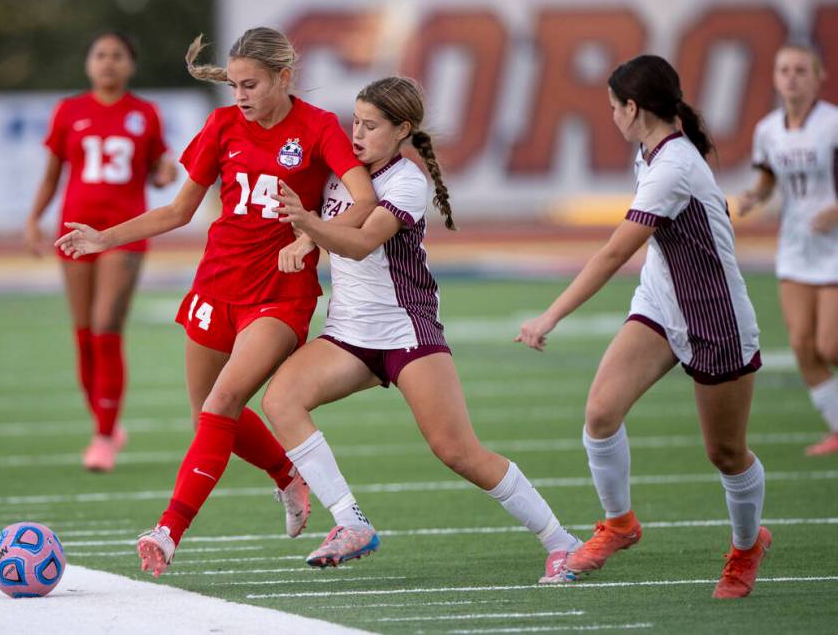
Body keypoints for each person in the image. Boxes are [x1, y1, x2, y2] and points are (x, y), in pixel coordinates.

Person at [55, 27, 377, 577]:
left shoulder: (319, 126)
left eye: (250, 84)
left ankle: (168, 531)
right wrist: (105, 237)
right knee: (207, 412)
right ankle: (286, 475)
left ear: (284, 76)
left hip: (278, 295)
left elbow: (365, 199)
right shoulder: (223, 124)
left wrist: (309, 236)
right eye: (233, 85)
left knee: (222, 402)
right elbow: (179, 211)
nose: (241, 96)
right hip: (215, 287)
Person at [261, 77, 582, 584]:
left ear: (402, 129)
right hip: (348, 334)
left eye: (371, 126)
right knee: (280, 401)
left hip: (406, 333)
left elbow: (363, 243)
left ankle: (563, 544)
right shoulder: (341, 173)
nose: (357, 134)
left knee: (457, 451)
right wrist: (306, 239)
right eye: (355, 122)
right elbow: (326, 227)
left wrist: (307, 226)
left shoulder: (406, 180)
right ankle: (350, 521)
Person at [515, 55, 771, 599]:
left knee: (725, 453)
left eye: (613, 107)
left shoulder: (674, 165)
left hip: (715, 319)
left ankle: (748, 546)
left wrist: (549, 316)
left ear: (634, 108)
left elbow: (613, 255)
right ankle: (620, 524)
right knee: (601, 414)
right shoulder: (651, 152)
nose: (610, 116)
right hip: (661, 302)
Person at [25, 31, 177, 473]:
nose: (108, 62)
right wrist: (34, 218)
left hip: (122, 233)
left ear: (131, 64)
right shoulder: (69, 111)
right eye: (100, 55)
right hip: (73, 231)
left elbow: (158, 168)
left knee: (106, 324)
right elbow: (53, 173)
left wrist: (166, 172)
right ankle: (105, 419)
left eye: (117, 56)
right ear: (89, 63)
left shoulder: (144, 113)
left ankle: (104, 436)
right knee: (84, 334)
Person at [739, 44, 838, 456]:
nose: (792, 77)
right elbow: (767, 178)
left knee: (830, 346)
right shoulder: (767, 130)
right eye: (784, 70)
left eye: (801, 69)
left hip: (834, 247)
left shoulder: (832, 124)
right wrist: (753, 198)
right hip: (796, 248)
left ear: (819, 77)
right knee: (802, 346)